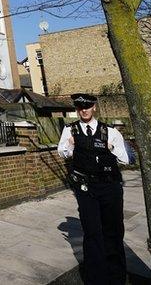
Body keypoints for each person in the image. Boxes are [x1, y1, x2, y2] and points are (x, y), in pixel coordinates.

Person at [57, 93, 130, 285]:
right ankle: (96, 279)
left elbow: (125, 159)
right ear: (76, 109)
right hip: (86, 188)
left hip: (109, 186)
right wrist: (70, 145)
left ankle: (116, 278)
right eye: (80, 107)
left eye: (87, 106)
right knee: (92, 232)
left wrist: (110, 147)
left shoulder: (110, 132)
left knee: (113, 231)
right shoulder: (70, 130)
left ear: (94, 107)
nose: (84, 110)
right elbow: (62, 152)